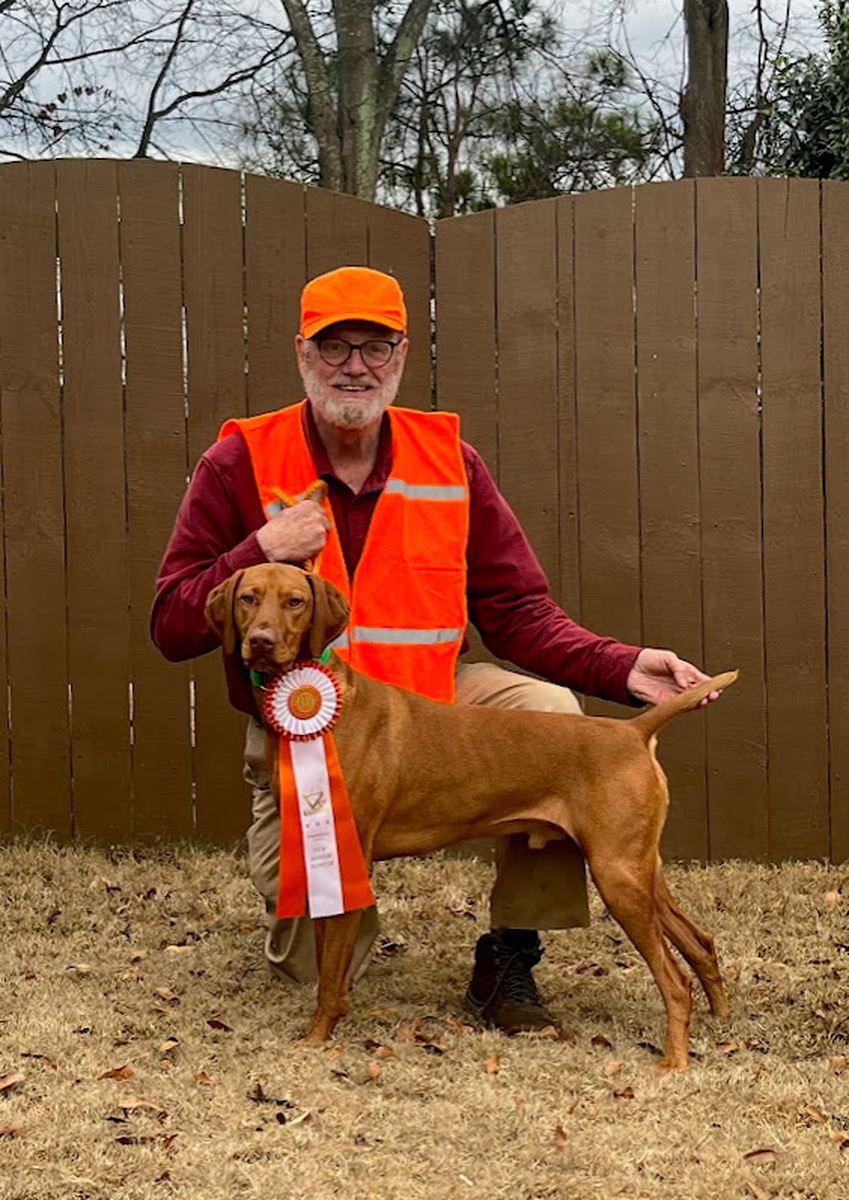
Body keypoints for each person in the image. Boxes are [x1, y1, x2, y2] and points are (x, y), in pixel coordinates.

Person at [151, 265, 717, 1033]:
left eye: (374, 347)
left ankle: (511, 956)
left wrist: (620, 666)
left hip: (437, 701)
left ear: (401, 355)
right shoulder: (237, 462)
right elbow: (170, 623)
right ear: (301, 354)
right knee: (312, 965)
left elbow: (517, 612)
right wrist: (259, 544)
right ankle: (333, 940)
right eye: (334, 346)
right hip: (306, 728)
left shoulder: (451, 461)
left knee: (549, 713)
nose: (355, 366)